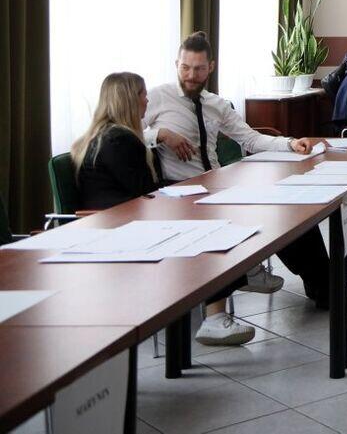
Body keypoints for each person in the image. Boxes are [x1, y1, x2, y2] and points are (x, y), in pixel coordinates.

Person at [144, 32, 347, 309]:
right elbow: (120, 130)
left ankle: (326, 289)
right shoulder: (158, 98)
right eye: (185, 68)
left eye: (198, 69)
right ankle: (259, 274)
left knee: (289, 212)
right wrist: (160, 134)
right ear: (176, 64)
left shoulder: (216, 104)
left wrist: (290, 143)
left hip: (216, 186)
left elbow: (250, 139)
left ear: (211, 67)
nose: (191, 76)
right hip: (181, 192)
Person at [73, 72, 254, 345]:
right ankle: (215, 316)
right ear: (128, 100)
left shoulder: (103, 136)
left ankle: (232, 292)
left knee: (207, 222)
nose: (147, 101)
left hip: (117, 221)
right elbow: (144, 193)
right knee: (212, 231)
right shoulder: (120, 141)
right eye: (142, 95)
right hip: (122, 228)